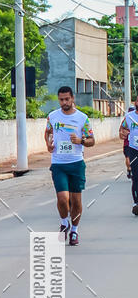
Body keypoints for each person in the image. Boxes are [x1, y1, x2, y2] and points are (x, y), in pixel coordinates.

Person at [45, 86, 95, 246]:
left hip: (76, 163)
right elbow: (48, 132)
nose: (64, 102)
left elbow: (91, 140)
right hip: (58, 163)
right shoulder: (52, 116)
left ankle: (74, 230)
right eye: (61, 99)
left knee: (76, 200)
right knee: (62, 199)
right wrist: (48, 144)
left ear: (72, 98)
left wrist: (80, 141)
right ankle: (64, 222)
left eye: (67, 99)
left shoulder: (82, 118)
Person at [119, 97, 138, 215]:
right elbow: (122, 131)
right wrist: (123, 133)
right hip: (134, 150)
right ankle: (136, 203)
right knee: (136, 177)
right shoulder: (129, 117)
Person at [123, 105, 135, 180]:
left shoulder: (126, 119)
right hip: (131, 143)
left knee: (128, 157)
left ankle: (129, 169)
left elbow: (121, 131)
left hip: (127, 143)